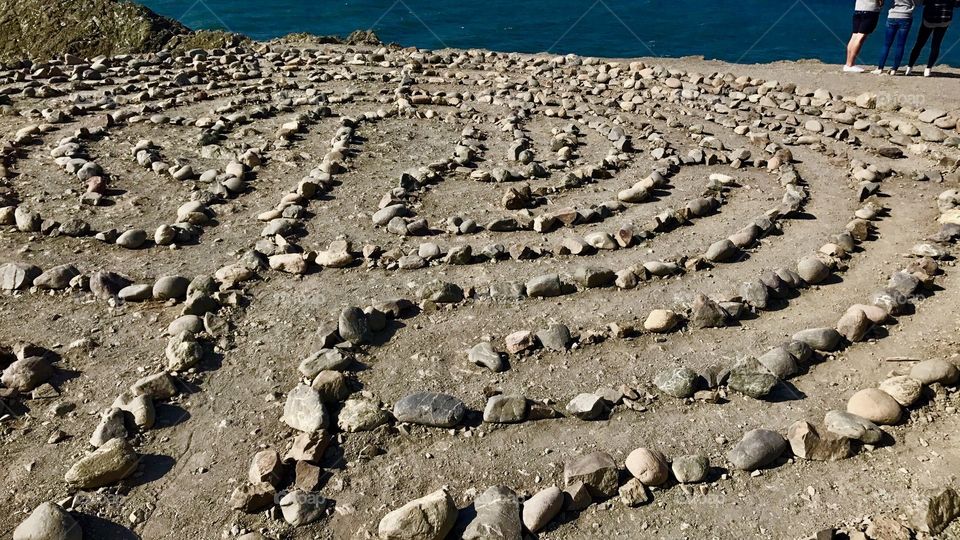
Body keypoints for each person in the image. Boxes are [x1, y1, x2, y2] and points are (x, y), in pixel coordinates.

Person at [906, 0, 960, 76]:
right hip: (944, 19)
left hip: (929, 18)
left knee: (919, 43)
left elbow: (923, 2)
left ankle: (909, 67)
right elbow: (957, 4)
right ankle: (928, 69)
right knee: (936, 45)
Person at [874, 0, 917, 75]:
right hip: (906, 15)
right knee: (900, 45)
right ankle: (894, 69)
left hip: (893, 15)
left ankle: (880, 68)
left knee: (886, 45)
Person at [846, 0, 884, 73]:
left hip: (858, 9)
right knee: (860, 38)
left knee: (854, 36)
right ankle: (850, 64)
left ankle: (848, 63)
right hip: (870, 10)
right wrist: (881, 3)